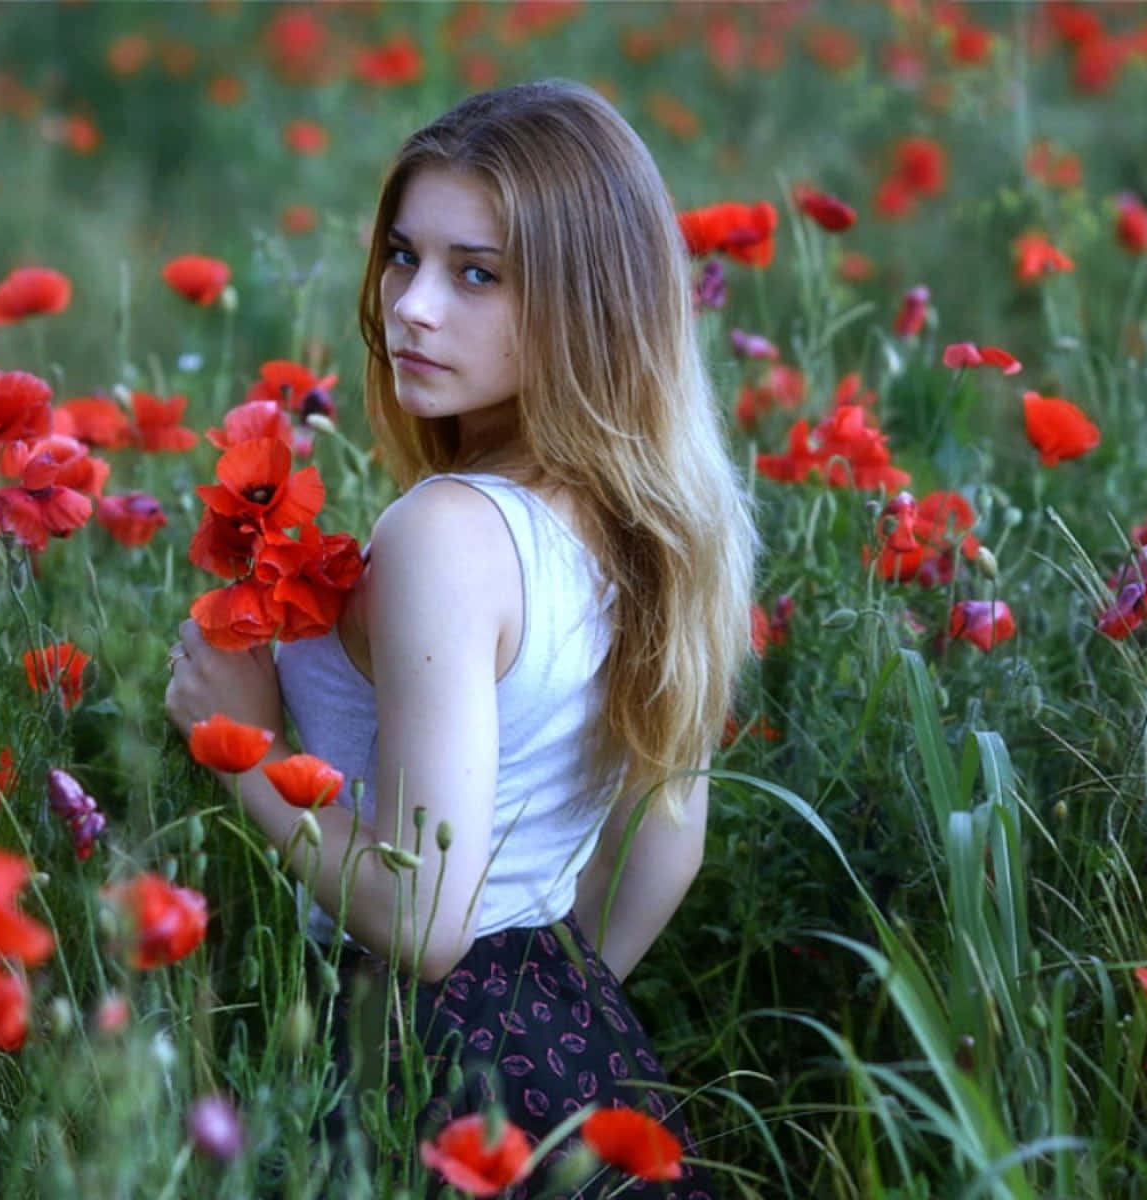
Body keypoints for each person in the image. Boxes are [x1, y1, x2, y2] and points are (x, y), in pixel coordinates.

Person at [164, 79, 753, 1196]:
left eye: (477, 273)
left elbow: (426, 922)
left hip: (421, 1056)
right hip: (582, 1050)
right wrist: (544, 1011)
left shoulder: (446, 531)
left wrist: (236, 748)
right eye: (401, 256)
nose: (413, 307)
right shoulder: (650, 524)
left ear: (590, 304)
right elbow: (663, 843)